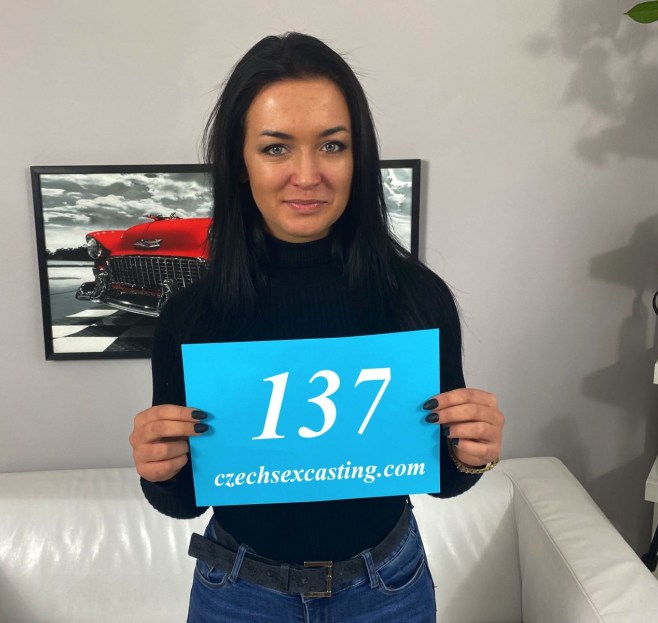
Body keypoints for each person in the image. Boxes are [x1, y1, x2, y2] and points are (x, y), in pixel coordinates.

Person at [129, 32, 505, 623]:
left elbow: (443, 477)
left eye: (332, 145)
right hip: (238, 594)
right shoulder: (191, 315)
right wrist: (159, 468)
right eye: (276, 148)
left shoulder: (417, 297)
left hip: (387, 589)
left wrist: (472, 453)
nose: (307, 175)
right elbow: (181, 502)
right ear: (240, 162)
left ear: (359, 158)